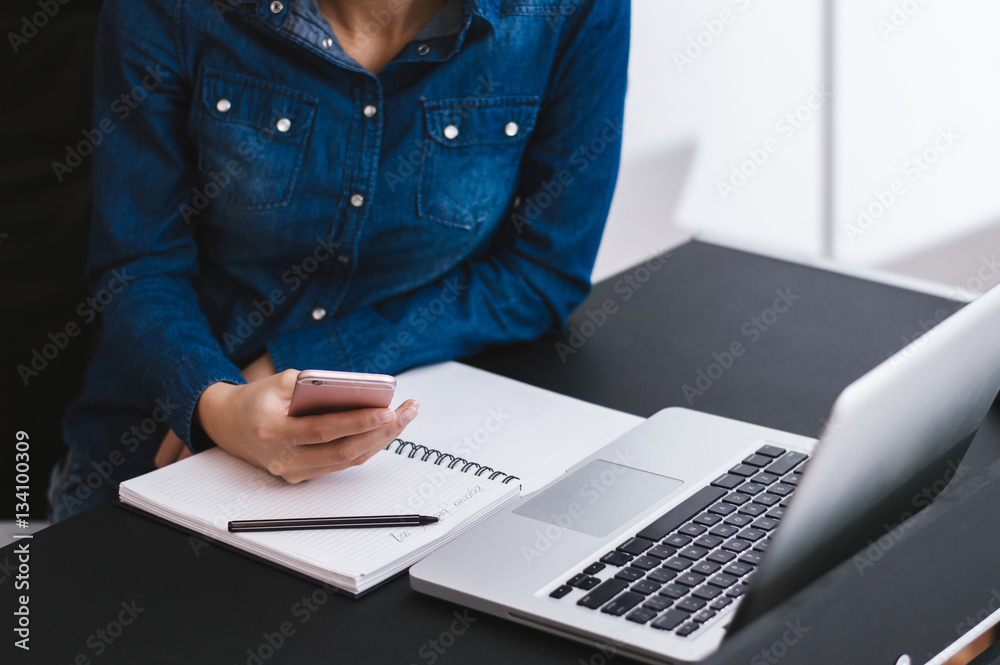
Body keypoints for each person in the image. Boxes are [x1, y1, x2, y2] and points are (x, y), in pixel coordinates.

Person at [51, 0, 630, 520]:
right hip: (154, 445)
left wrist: (300, 362)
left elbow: (542, 271)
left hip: (407, 465)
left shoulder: (573, 12)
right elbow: (138, 265)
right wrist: (215, 403)